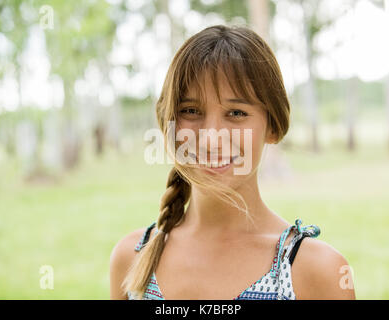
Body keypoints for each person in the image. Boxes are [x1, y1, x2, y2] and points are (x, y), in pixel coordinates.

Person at [110, 25, 355, 300]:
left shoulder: (314, 271)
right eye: (191, 111)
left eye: (236, 113)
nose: (211, 139)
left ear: (272, 127)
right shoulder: (132, 258)